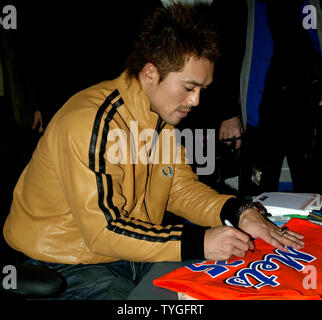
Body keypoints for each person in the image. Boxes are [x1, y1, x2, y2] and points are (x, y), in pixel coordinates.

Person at [3, 2, 304, 300]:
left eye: (202, 89)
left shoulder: (158, 118)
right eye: (189, 87)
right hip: (64, 262)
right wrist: (199, 241)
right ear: (150, 73)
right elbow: (103, 231)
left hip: (128, 253)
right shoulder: (91, 122)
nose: (197, 100)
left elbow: (179, 189)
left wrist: (237, 212)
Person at [239, 0, 322, 193]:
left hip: (306, 114)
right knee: (255, 195)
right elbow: (222, 55)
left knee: (311, 194)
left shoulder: (310, 5)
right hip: (260, 114)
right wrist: (228, 113)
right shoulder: (246, 6)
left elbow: (314, 49)